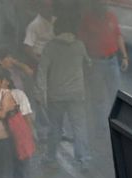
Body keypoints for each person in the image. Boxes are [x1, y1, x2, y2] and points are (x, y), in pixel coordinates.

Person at [37, 14, 92, 165]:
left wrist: (40, 93)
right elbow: (88, 64)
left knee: (55, 127)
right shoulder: (79, 45)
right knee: (79, 127)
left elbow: (42, 71)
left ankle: (51, 157)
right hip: (76, 94)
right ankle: (83, 158)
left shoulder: (50, 47)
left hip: (56, 95)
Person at [78, 0, 129, 131]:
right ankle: (101, 128)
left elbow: (118, 36)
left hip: (112, 60)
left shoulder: (111, 16)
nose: (103, 6)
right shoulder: (87, 19)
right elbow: (81, 42)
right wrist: (86, 60)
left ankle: (118, 124)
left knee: (116, 94)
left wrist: (124, 56)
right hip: (96, 62)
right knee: (98, 97)